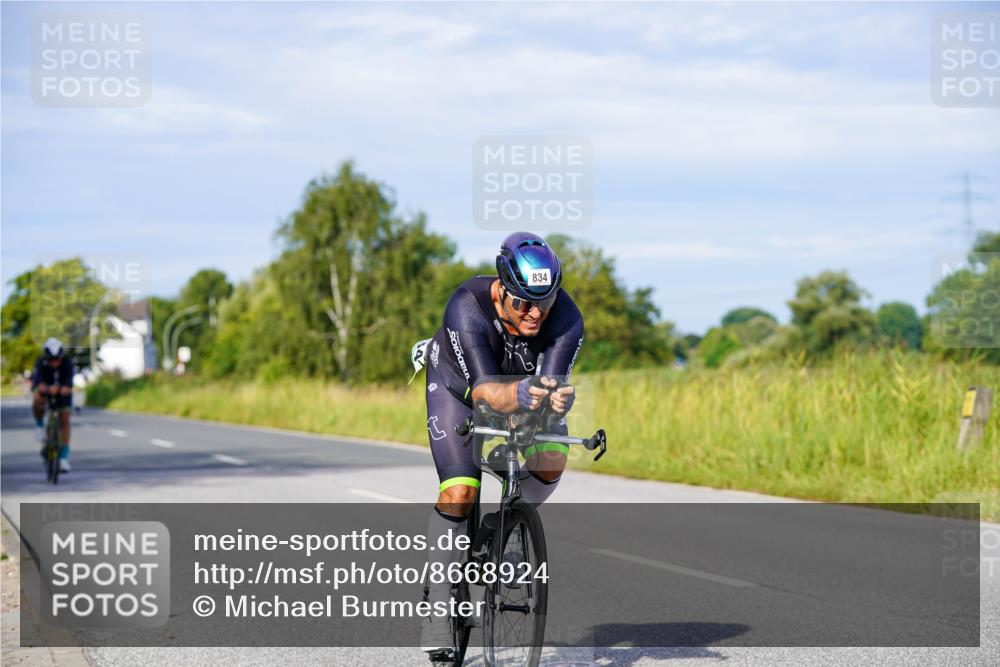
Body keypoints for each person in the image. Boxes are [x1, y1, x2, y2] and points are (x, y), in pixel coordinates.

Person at [420, 232, 584, 656]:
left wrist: (556, 398)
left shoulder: (566, 318)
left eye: (544, 303)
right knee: (460, 491)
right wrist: (527, 393)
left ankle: (503, 525)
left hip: (520, 391)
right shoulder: (467, 306)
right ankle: (438, 604)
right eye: (523, 303)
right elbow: (486, 392)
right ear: (501, 290)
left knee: (550, 459)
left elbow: (549, 386)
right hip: (460, 391)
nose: (535, 314)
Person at [31, 337, 75, 473]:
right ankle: (39, 425)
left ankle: (63, 458)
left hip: (62, 394)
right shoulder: (41, 363)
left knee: (65, 419)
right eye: (52, 359)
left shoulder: (67, 362)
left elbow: (70, 380)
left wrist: (66, 388)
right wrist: (42, 388)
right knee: (37, 399)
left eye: (57, 359)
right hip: (46, 392)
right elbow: (36, 381)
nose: (55, 362)